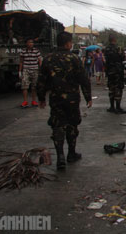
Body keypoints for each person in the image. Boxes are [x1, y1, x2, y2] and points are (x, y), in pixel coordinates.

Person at [37, 31, 92, 170]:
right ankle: (71, 153)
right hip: (72, 99)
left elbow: (41, 81)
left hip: (56, 99)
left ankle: (60, 156)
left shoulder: (48, 59)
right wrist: (88, 97)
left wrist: (41, 98)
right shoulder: (74, 58)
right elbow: (83, 79)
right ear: (68, 43)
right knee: (72, 125)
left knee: (58, 126)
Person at [104, 34, 126, 114]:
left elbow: (105, 60)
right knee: (118, 88)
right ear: (114, 40)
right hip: (118, 71)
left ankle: (112, 107)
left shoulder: (106, 49)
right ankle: (118, 107)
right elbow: (124, 58)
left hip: (110, 71)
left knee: (111, 88)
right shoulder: (118, 48)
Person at [19, 38, 42, 108]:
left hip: (35, 69)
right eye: (29, 42)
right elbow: (21, 61)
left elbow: (39, 60)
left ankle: (33, 101)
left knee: (34, 86)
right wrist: (20, 71)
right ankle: (25, 101)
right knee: (24, 86)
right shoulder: (23, 51)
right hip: (26, 70)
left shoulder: (36, 51)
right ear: (26, 43)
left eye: (32, 42)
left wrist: (40, 70)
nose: (30, 44)